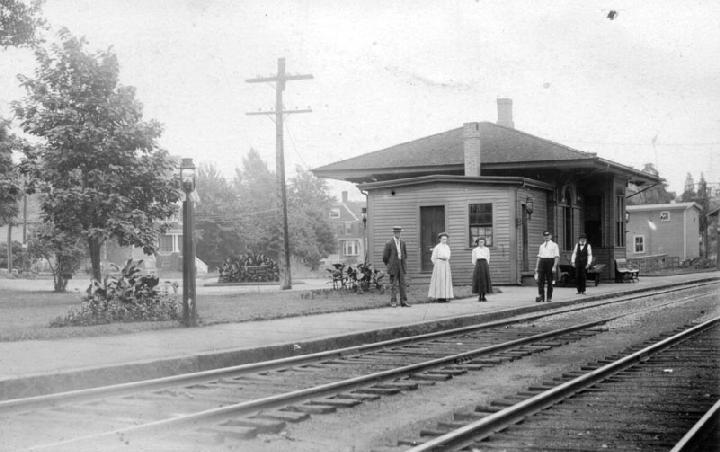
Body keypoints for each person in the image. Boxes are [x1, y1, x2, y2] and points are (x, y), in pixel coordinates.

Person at [382, 226, 410, 307]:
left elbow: (405, 254)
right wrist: (389, 264)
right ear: (394, 233)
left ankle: (403, 301)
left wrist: (403, 264)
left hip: (401, 265)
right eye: (396, 232)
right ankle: (393, 301)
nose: (398, 234)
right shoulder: (389, 243)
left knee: (403, 284)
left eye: (399, 232)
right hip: (393, 266)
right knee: (394, 285)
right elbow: (385, 257)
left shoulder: (403, 242)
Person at [534, 230, 560, 303]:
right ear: (543, 237)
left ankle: (549, 297)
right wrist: (536, 267)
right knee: (540, 280)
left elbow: (556, 256)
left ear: (551, 236)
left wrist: (554, 266)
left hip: (550, 262)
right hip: (542, 262)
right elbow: (539, 257)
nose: (546, 237)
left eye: (548, 236)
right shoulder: (541, 246)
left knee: (549, 281)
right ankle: (541, 296)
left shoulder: (554, 245)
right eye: (545, 236)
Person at [428, 232, 454, 302]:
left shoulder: (447, 247)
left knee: (446, 280)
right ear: (440, 239)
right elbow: (433, 257)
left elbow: (449, 255)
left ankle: (445, 296)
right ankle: (439, 297)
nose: (444, 241)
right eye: (443, 239)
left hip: (445, 263)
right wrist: (437, 265)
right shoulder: (437, 247)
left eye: (445, 239)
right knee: (439, 280)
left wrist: (446, 260)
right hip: (439, 264)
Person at [471, 237, 492, 302]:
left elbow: (488, 257)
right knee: (479, 280)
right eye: (480, 242)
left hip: (484, 264)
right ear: (477, 243)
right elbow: (473, 259)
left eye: (483, 242)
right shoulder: (475, 250)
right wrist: (476, 265)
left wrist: (486, 265)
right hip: (478, 264)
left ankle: (484, 296)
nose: (481, 243)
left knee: (484, 280)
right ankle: (480, 296)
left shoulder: (487, 249)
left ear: (484, 242)